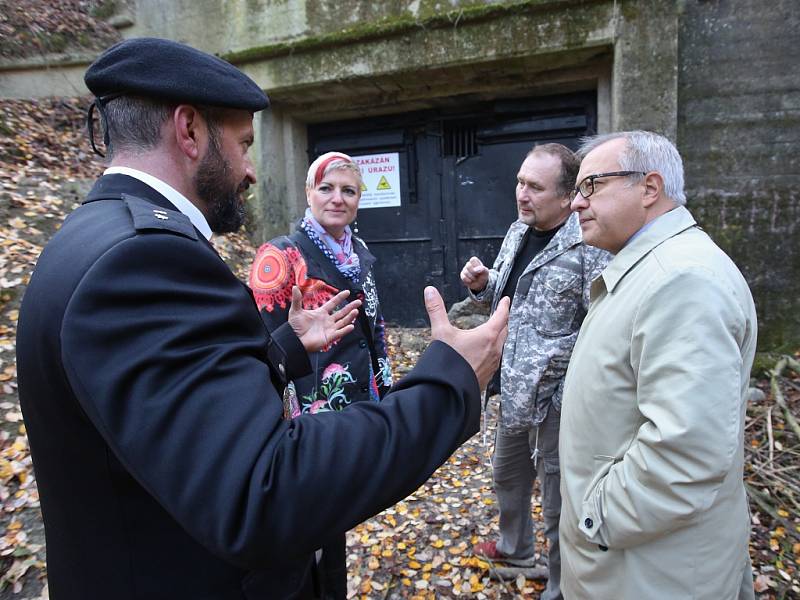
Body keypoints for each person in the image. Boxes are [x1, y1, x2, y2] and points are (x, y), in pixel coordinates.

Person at [15, 37, 510, 600]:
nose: (251, 172)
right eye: (244, 144)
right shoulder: (145, 260)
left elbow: (170, 408)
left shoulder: (96, 236)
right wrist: (450, 381)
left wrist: (281, 349)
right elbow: (263, 489)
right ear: (189, 131)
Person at [560, 130, 757, 599]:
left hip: (650, 573)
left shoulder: (683, 280)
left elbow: (685, 451)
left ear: (650, 188)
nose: (575, 203)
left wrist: (597, 520)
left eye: (592, 186)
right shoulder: (653, 268)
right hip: (633, 559)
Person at [461, 143, 610, 600]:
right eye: (520, 182)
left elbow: (601, 327)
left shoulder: (590, 246)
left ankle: (564, 586)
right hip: (512, 393)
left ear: (568, 198)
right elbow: (508, 300)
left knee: (558, 499)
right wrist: (484, 285)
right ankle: (515, 549)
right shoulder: (516, 231)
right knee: (506, 476)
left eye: (535, 187)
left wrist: (566, 390)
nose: (522, 194)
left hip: (556, 402)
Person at [248, 151, 392, 598]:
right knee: (308, 521)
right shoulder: (281, 256)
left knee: (335, 520)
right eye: (326, 188)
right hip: (305, 419)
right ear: (309, 192)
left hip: (356, 407)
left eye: (348, 191)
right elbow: (263, 349)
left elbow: (375, 327)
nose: (337, 198)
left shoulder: (360, 252)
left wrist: (384, 387)